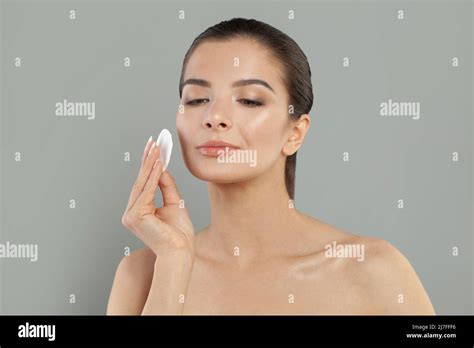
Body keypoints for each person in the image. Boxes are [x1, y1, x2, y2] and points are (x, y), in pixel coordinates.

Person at [107, 18, 435, 315]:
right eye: (196, 99)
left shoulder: (373, 269)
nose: (214, 117)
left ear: (295, 132)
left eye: (249, 100)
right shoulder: (144, 273)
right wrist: (175, 264)